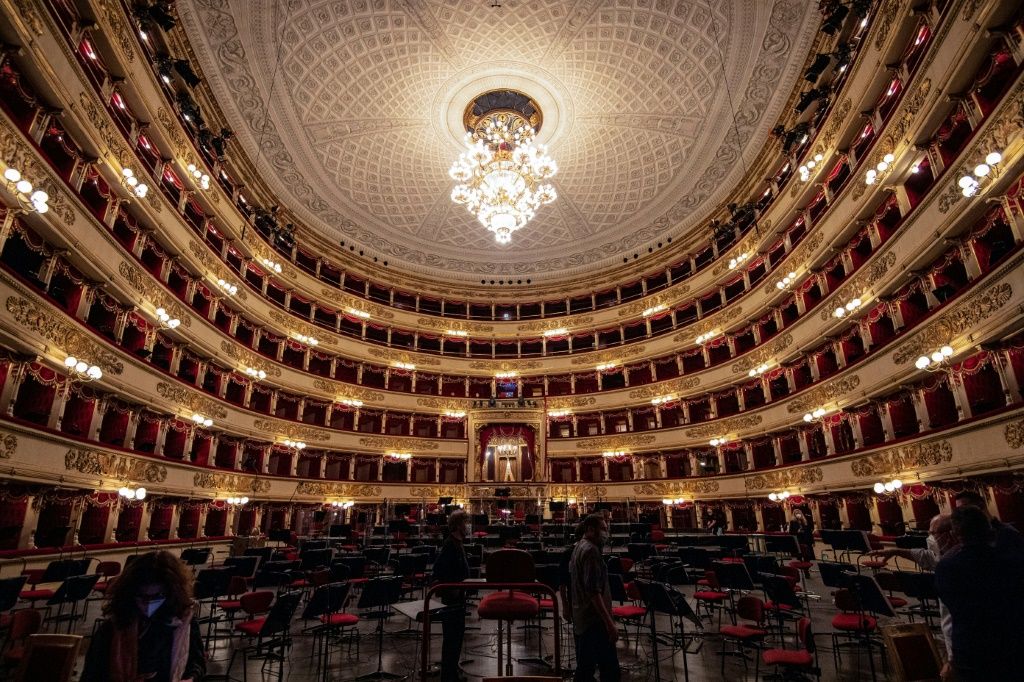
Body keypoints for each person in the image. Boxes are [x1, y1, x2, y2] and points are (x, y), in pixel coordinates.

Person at [81, 550, 205, 682]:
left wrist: (190, 679)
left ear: (171, 593)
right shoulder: (112, 628)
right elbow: (92, 675)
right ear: (130, 593)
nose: (148, 604)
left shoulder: (183, 621)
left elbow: (196, 662)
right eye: (142, 596)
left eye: (157, 596)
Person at [935, 505, 1024, 681]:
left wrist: (951, 659)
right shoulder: (1011, 562)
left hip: (969, 648)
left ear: (954, 534)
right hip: (1012, 645)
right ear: (990, 530)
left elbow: (949, 612)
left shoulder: (947, 566)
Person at [867, 514, 955, 658]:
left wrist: (952, 658)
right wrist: (896, 551)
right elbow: (925, 556)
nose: (930, 538)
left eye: (933, 533)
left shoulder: (959, 564)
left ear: (951, 533)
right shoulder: (943, 557)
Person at [569, 514, 620, 682]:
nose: (606, 533)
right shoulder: (591, 551)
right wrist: (609, 623)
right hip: (594, 620)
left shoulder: (579, 546)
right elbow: (593, 591)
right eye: (603, 529)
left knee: (585, 668)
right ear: (591, 529)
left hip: (582, 617)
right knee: (609, 670)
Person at [432, 508, 470, 682]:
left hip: (458, 596)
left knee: (456, 636)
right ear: (457, 526)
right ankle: (448, 675)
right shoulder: (450, 544)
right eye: (465, 523)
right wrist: (453, 588)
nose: (467, 526)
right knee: (452, 637)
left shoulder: (457, 543)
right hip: (452, 598)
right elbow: (439, 569)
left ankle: (452, 671)